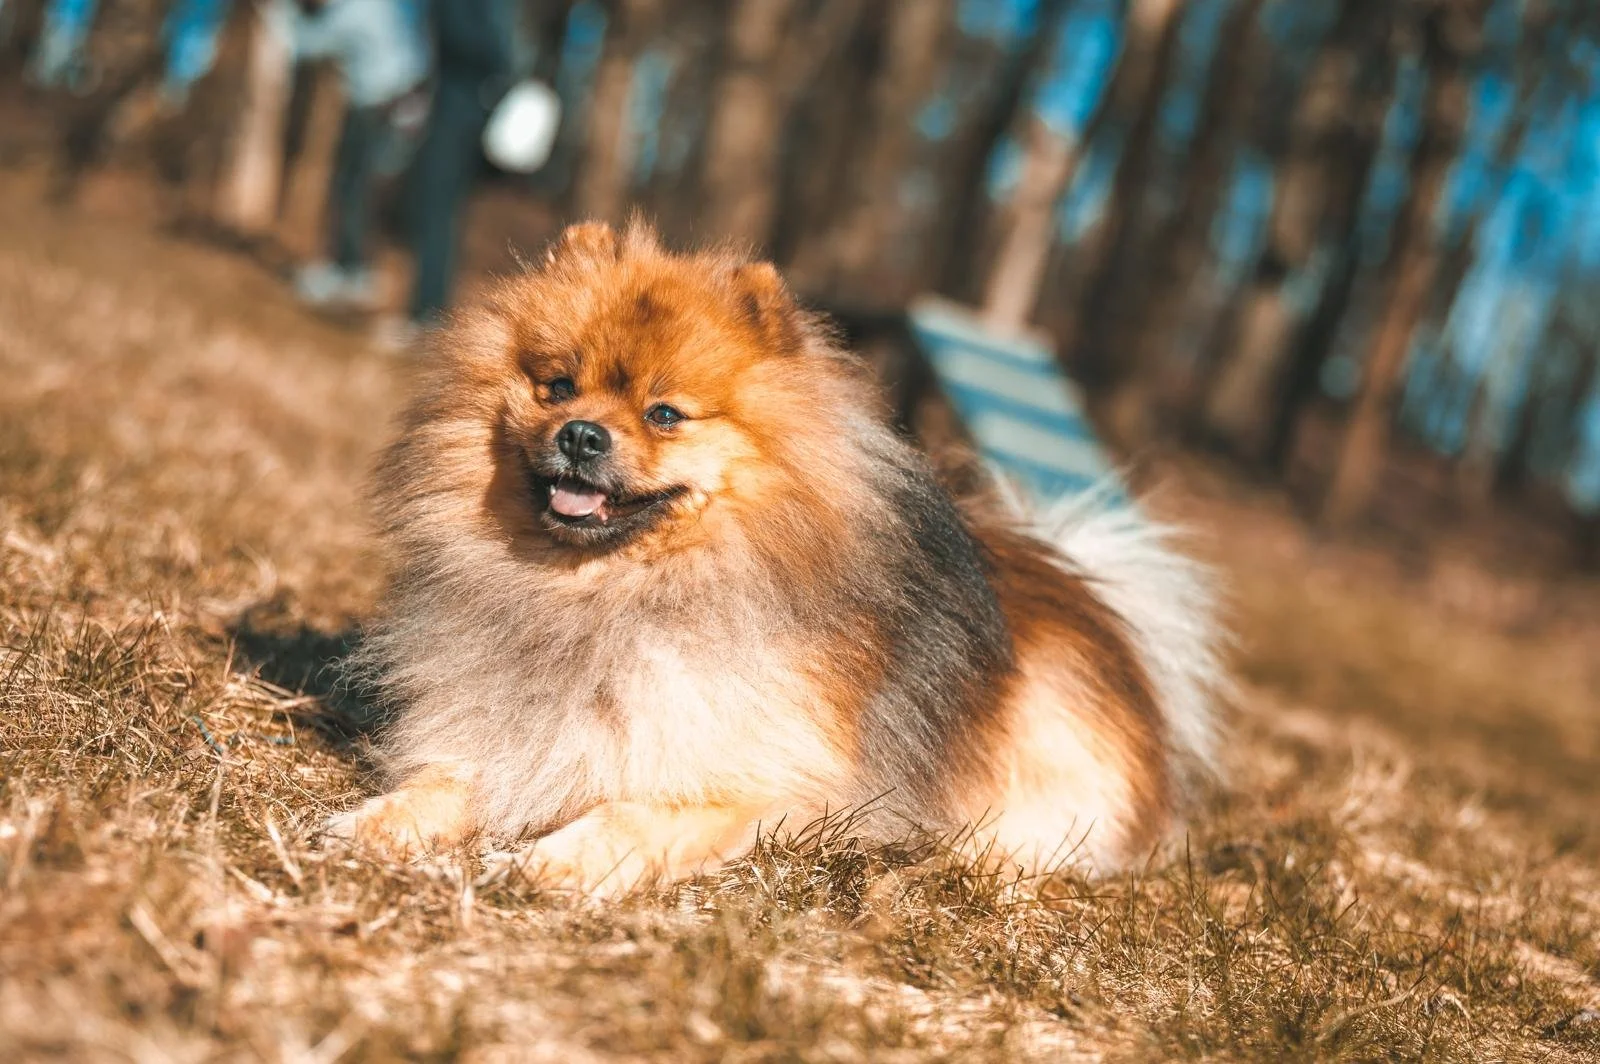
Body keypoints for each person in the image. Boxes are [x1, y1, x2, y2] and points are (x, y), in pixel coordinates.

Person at [270, 0, 430, 311]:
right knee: (356, 188)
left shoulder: (356, 9)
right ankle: (350, 269)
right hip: (392, 100)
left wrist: (280, 12)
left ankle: (352, 274)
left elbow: (309, 43)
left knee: (353, 189)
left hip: (379, 104)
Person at [376, 0, 516, 349]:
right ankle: (425, 313)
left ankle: (426, 316)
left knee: (437, 213)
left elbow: (493, 54)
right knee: (434, 212)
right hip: (447, 111)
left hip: (459, 117)